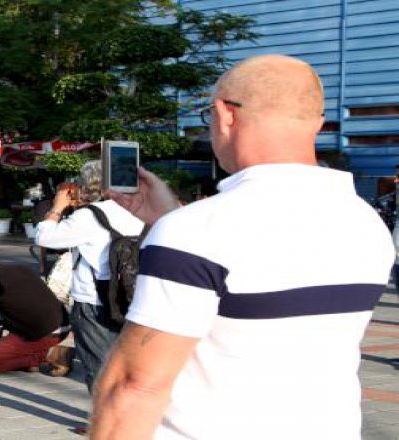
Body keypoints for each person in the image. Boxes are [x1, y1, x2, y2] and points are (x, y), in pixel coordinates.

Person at [90, 55, 395, 439]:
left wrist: (173, 224)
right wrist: (167, 219)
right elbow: (274, 268)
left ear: (225, 114)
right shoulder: (364, 221)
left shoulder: (196, 231)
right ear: (317, 124)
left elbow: (135, 386)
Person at [36, 162, 144, 392]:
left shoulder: (89, 216)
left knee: (99, 364)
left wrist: (57, 208)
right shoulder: (138, 208)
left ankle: (103, 423)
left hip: (94, 300)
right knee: (129, 364)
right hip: (134, 295)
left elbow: (45, 237)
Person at [0, 241, 73, 376]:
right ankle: (34, 356)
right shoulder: (20, 269)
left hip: (45, 334)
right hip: (63, 325)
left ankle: (43, 356)